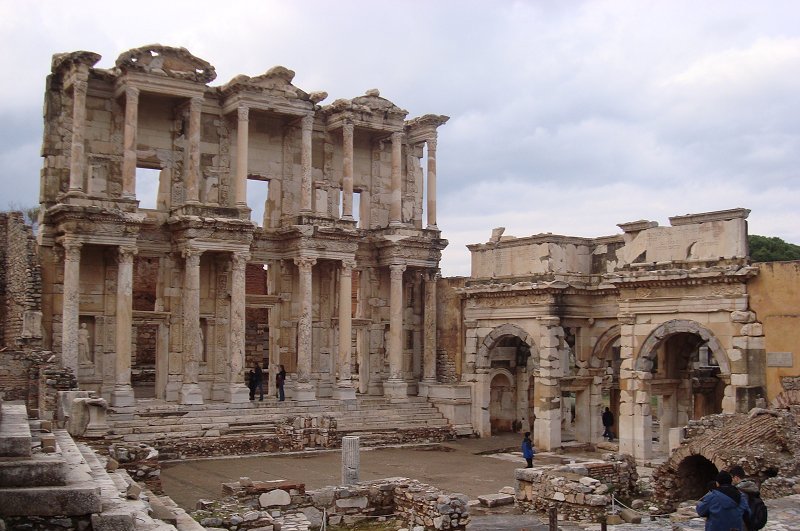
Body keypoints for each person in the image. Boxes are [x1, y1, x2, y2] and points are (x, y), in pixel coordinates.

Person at [730, 465, 768, 530]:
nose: (731, 480)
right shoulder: (752, 487)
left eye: (732, 478)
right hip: (752, 523)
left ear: (736, 478)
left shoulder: (740, 491)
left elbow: (741, 512)